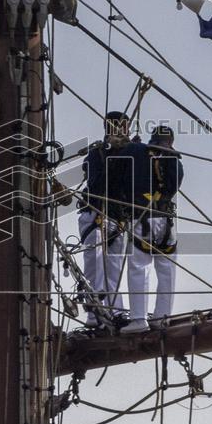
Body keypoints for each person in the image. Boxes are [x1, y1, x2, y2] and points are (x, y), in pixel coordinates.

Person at [121, 125, 183, 334]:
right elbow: (174, 186)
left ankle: (139, 318)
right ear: (171, 142)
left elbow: (125, 178)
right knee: (167, 270)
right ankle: (162, 316)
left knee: (139, 267)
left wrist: (135, 145)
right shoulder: (175, 159)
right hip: (166, 220)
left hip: (142, 217)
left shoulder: (137, 153)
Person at [79, 110, 132, 327]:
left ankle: (115, 311)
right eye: (118, 126)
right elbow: (96, 184)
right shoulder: (97, 154)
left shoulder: (131, 152)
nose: (122, 130)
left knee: (114, 268)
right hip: (96, 213)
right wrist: (113, 155)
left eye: (124, 126)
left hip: (117, 216)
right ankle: (94, 316)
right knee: (95, 267)